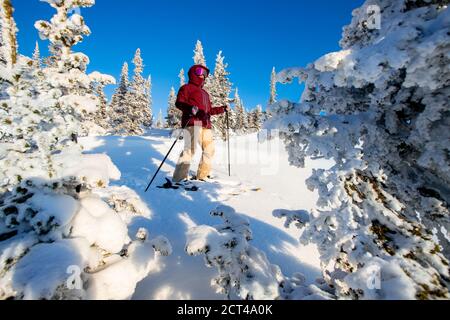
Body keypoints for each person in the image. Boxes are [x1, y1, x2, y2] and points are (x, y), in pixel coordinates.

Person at [172, 64, 229, 182]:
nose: (203, 75)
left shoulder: (205, 93)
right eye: (200, 71)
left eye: (205, 73)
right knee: (190, 150)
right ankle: (179, 179)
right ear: (193, 73)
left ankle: (202, 175)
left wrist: (222, 109)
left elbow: (209, 111)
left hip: (206, 125)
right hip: (193, 122)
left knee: (210, 149)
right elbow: (179, 103)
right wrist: (190, 108)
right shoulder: (186, 88)